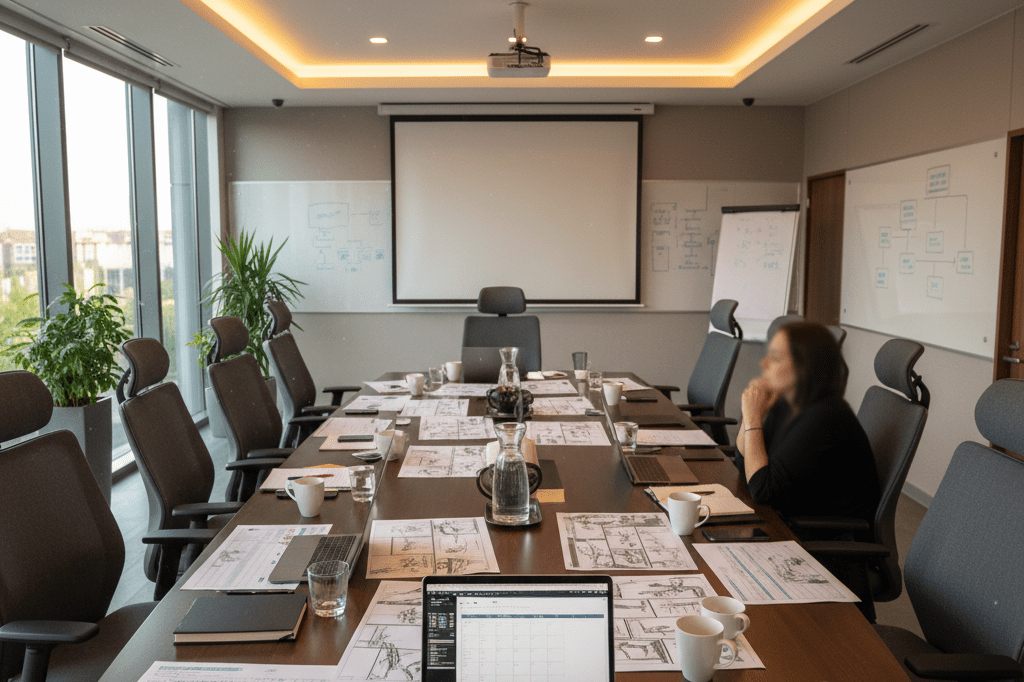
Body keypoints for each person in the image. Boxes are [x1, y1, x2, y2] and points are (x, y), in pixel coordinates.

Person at [735, 321, 880, 531]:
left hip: (824, 543)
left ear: (804, 367)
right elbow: (744, 464)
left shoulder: (825, 417)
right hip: (789, 522)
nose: (764, 363)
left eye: (775, 358)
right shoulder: (787, 403)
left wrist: (753, 417)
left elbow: (762, 490)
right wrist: (752, 417)